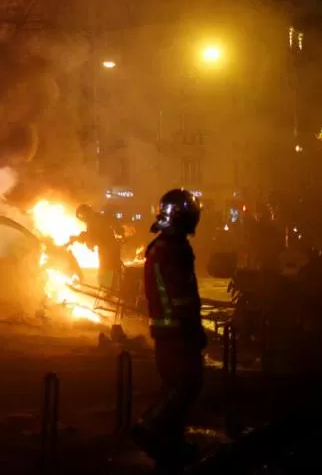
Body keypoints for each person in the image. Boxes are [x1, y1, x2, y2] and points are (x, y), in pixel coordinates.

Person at [132, 188, 205, 470]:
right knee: (187, 384)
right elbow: (181, 294)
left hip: (164, 330)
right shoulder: (176, 249)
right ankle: (149, 426)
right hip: (178, 331)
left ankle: (172, 445)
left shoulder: (159, 246)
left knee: (174, 385)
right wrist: (193, 327)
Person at [70, 204, 125, 293]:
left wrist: (80, 237)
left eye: (83, 216)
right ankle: (112, 290)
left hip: (108, 248)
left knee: (106, 270)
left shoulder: (95, 220)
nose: (83, 219)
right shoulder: (96, 219)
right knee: (110, 269)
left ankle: (110, 291)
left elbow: (93, 238)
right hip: (108, 248)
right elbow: (92, 239)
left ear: (87, 213)